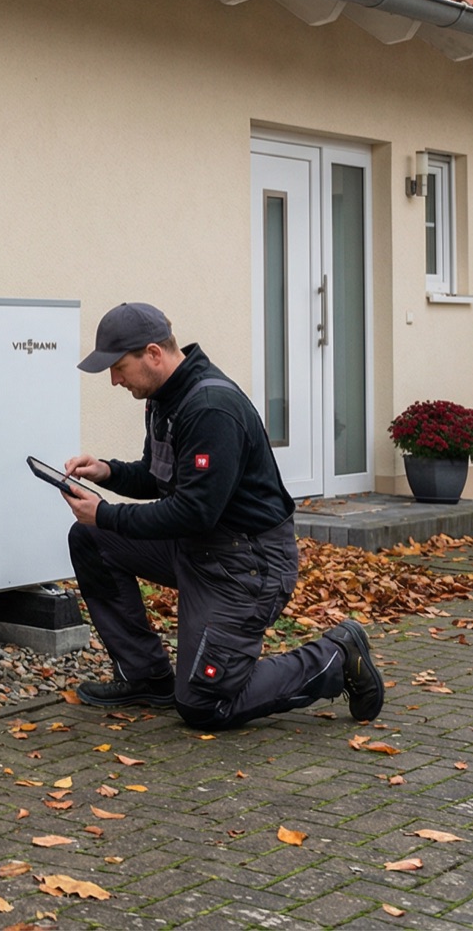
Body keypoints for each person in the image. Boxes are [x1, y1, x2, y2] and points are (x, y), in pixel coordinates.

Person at [57, 302, 383, 730]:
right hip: (200, 547)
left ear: (153, 354)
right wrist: (108, 471)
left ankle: (336, 657)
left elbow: (193, 511)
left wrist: (106, 514)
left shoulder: (211, 408)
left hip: (246, 564)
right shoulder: (163, 399)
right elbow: (160, 478)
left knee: (205, 705)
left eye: (118, 367)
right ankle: (147, 677)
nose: (115, 380)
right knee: (90, 540)